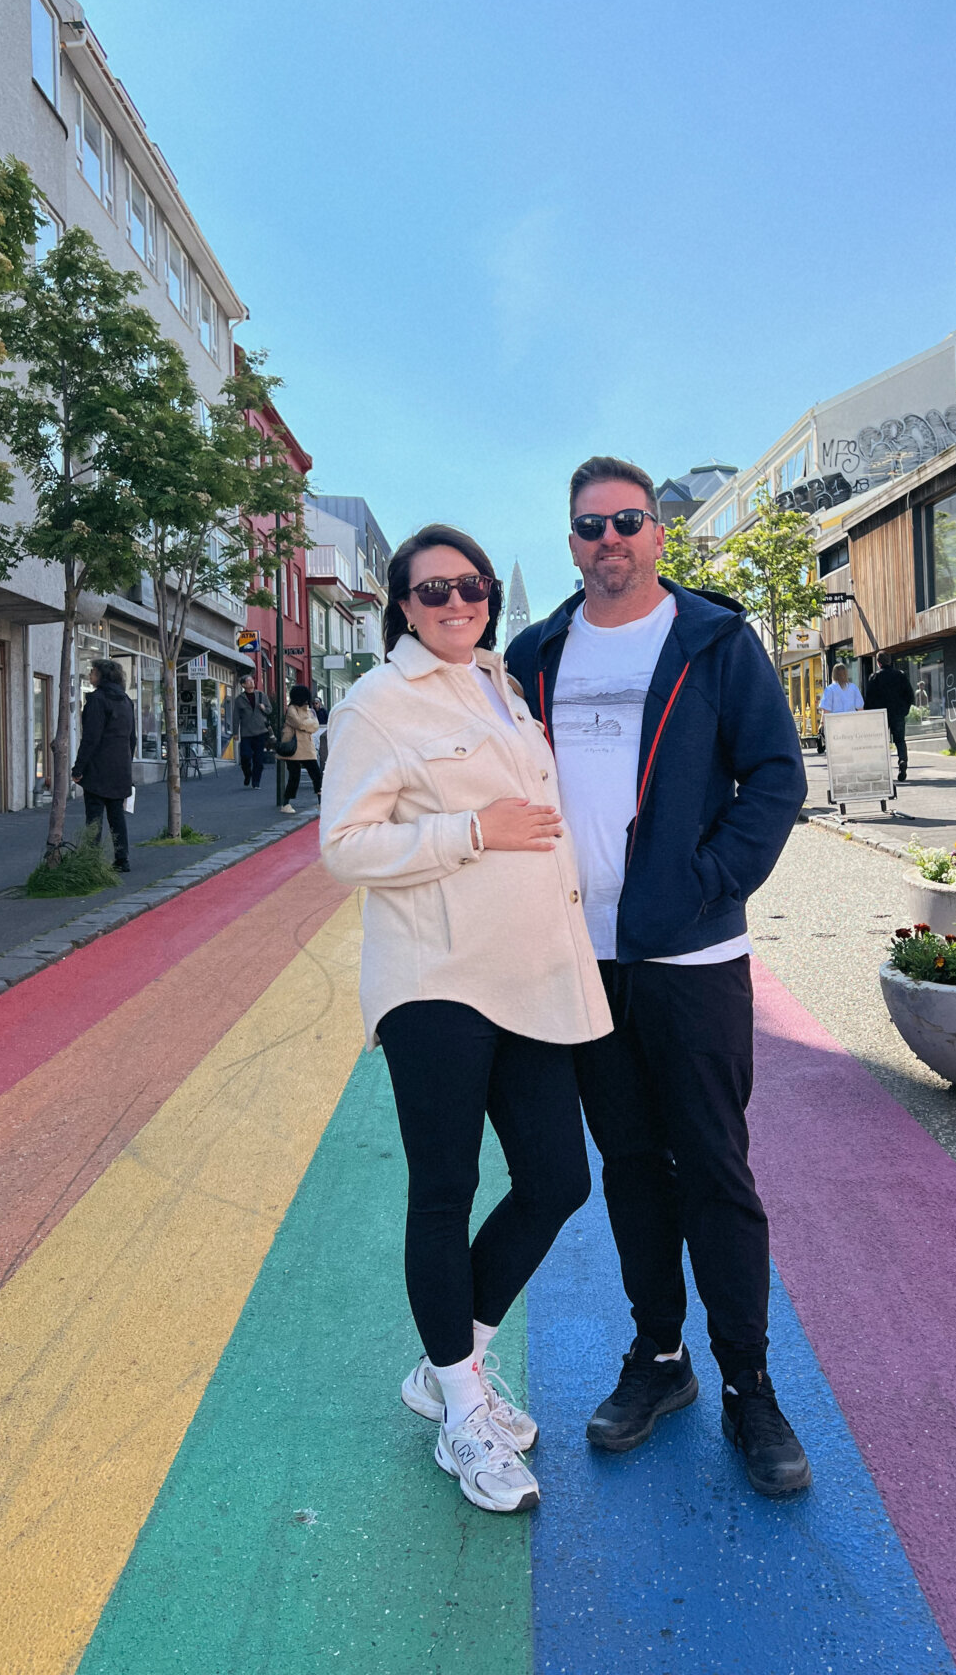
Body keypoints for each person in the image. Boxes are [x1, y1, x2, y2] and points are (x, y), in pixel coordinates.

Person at [506, 455, 813, 1499]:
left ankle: (750, 1385)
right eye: (590, 526)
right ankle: (662, 1360)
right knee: (633, 1167)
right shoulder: (533, 653)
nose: (610, 541)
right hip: (582, 962)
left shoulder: (714, 641)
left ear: (658, 535)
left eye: (627, 522)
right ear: (572, 539)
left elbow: (775, 775)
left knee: (715, 1171)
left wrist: (709, 878)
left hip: (692, 958)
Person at [319, 524, 611, 1516]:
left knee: (557, 1179)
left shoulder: (502, 687)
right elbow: (345, 846)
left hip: (529, 976)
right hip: (436, 979)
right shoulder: (376, 704)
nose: (457, 603)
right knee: (444, 1189)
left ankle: (452, 1365)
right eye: (433, 589)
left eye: (472, 587)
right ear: (401, 603)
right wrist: (470, 833)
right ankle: (459, 1409)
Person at [71, 659, 136, 871]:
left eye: (93, 672)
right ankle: (122, 859)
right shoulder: (126, 700)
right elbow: (132, 738)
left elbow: (91, 738)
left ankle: (91, 861)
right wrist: (127, 761)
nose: (90, 675)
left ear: (102, 675)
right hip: (120, 767)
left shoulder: (98, 700)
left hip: (98, 768)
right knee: (117, 815)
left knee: (94, 817)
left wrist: (78, 768)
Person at [863, 652, 915, 783]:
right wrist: (905, 710)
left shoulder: (874, 677)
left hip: (881, 715)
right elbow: (909, 695)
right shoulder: (900, 675)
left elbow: (869, 698)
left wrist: (870, 714)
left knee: (880, 742)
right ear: (890, 661)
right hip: (897, 712)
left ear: (878, 663)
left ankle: (882, 769)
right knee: (900, 740)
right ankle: (902, 760)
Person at [279, 684, 322, 812]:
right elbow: (299, 723)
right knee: (294, 776)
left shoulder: (308, 710)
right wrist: (308, 725)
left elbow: (316, 725)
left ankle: (321, 802)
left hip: (307, 747)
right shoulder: (292, 709)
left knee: (316, 774)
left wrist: (306, 725)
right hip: (294, 747)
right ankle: (286, 803)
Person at [231, 673, 271, 788]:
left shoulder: (261, 695)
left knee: (258, 759)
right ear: (243, 685)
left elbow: (269, 710)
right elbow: (236, 717)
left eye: (252, 680)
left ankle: (256, 782)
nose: (252, 682)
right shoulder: (240, 699)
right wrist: (235, 733)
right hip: (246, 733)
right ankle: (247, 774)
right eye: (248, 681)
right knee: (245, 756)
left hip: (260, 732)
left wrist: (264, 708)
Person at [819, 662, 863, 749]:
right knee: (852, 746)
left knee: (837, 749)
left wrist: (822, 724)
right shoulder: (853, 688)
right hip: (851, 723)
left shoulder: (830, 689)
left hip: (835, 724)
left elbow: (826, 710)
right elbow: (860, 708)